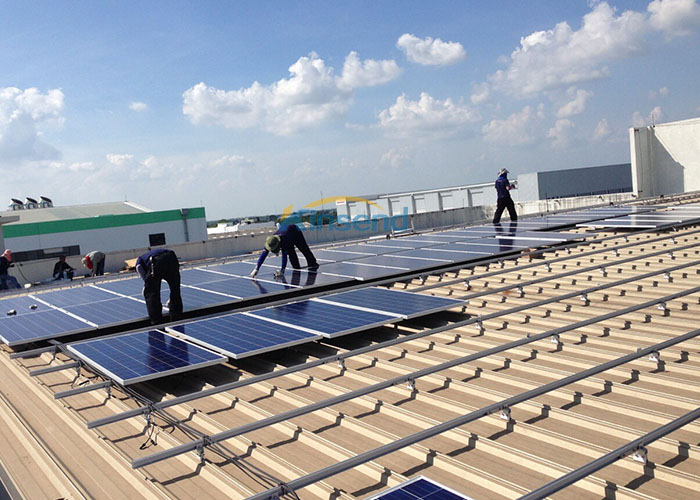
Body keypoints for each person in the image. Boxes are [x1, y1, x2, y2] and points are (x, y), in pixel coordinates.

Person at [250, 223, 318, 279]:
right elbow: (263, 254)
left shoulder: (284, 241)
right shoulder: (271, 241)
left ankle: (313, 264)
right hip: (287, 233)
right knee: (291, 254)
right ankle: (297, 269)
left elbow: (284, 257)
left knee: (304, 249)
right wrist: (256, 268)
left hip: (295, 231)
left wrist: (282, 271)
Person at [135, 248, 183, 324]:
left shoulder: (139, 261)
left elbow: (139, 268)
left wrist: (146, 285)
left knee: (151, 293)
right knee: (175, 288)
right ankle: (176, 315)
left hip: (157, 261)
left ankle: (156, 320)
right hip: (172, 257)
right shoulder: (146, 257)